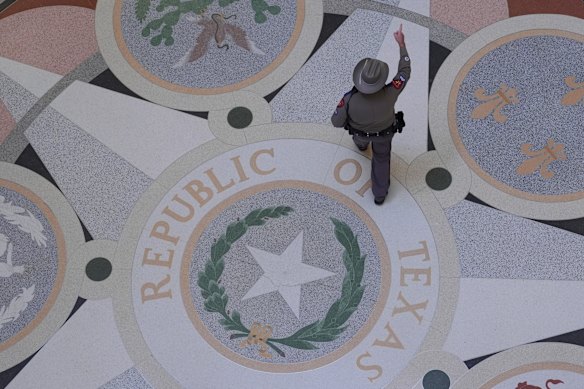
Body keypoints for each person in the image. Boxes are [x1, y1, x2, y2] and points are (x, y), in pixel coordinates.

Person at [331, 24, 411, 205]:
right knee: (381, 160)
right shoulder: (392, 91)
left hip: (359, 132)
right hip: (384, 133)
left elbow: (336, 122)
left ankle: (360, 146)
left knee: (360, 140)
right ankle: (380, 194)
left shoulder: (349, 99)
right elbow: (405, 72)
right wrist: (401, 45)